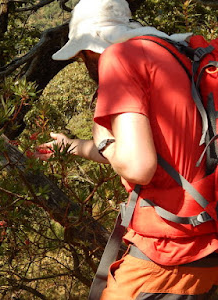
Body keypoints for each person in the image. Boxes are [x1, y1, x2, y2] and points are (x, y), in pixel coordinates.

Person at [35, 0, 218, 298]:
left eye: (81, 56)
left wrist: (103, 136)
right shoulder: (175, 55)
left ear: (89, 48)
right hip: (209, 241)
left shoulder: (119, 58)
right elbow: (158, 152)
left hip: (170, 251)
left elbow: (137, 166)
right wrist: (73, 146)